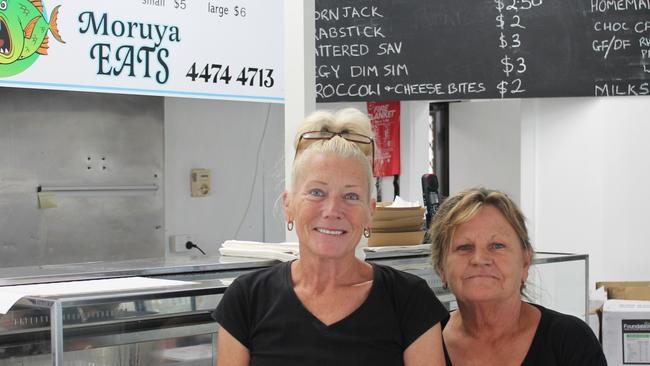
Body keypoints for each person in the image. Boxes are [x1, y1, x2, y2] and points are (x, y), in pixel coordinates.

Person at [214, 108, 447, 365]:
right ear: (288, 205)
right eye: (316, 192)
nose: (333, 210)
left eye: (350, 196)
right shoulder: (246, 299)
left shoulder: (409, 300)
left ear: (370, 212)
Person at [429, 187, 607, 366]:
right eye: (464, 247)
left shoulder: (570, 341)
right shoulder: (423, 343)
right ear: (440, 268)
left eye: (497, 246)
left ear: (525, 262)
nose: (479, 259)